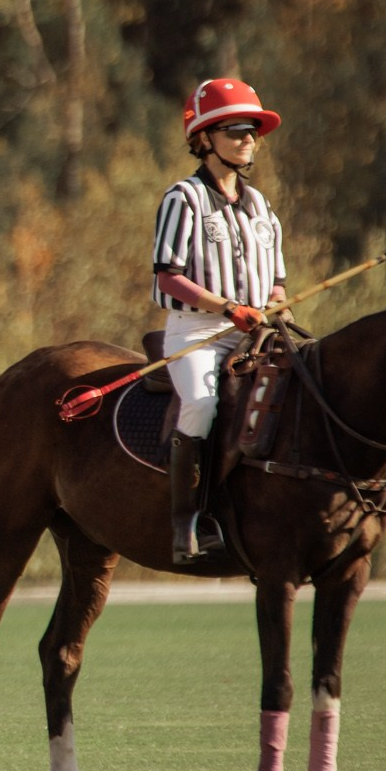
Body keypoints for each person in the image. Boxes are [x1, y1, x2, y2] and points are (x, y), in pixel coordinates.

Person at [151, 77, 288, 565]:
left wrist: (278, 306)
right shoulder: (183, 198)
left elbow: (276, 281)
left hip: (258, 333)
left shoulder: (261, 206)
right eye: (234, 130)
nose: (248, 138)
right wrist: (228, 308)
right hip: (200, 335)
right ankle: (188, 520)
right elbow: (168, 277)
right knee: (202, 406)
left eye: (252, 130)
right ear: (204, 138)